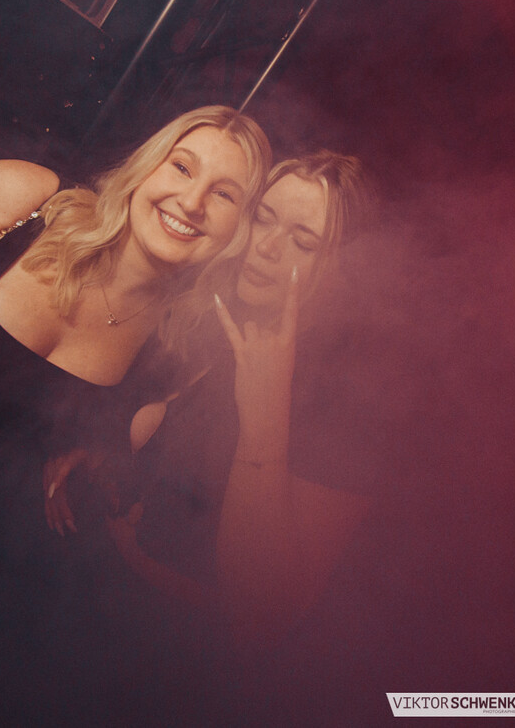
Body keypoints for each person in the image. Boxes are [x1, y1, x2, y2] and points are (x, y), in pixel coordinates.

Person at [44, 149, 379, 724]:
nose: (266, 248)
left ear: (343, 269)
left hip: (167, 676)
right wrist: (96, 452)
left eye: (303, 241)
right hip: (75, 608)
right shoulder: (214, 313)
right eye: (263, 218)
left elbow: (258, 622)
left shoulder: (350, 403)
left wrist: (266, 414)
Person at [0, 105, 271, 514]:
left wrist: (88, 461)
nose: (193, 202)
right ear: (146, 167)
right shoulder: (27, 198)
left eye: (224, 194)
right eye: (181, 167)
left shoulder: (170, 350)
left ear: (240, 228)